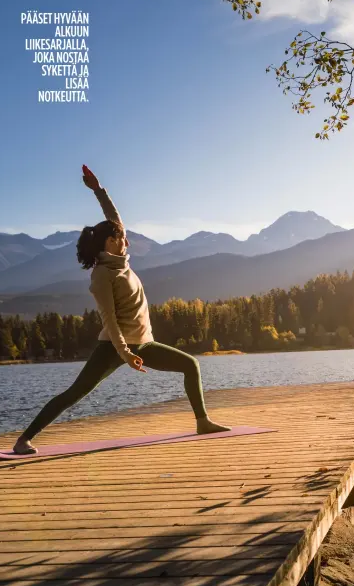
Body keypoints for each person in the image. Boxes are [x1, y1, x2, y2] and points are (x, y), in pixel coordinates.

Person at [13, 166, 230, 455]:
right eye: (119, 237)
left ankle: (202, 422)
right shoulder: (103, 275)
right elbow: (109, 320)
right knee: (75, 393)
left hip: (145, 342)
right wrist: (126, 353)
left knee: (191, 365)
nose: (125, 239)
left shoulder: (120, 260)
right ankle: (24, 439)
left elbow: (114, 218)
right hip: (115, 346)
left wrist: (98, 190)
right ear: (108, 243)